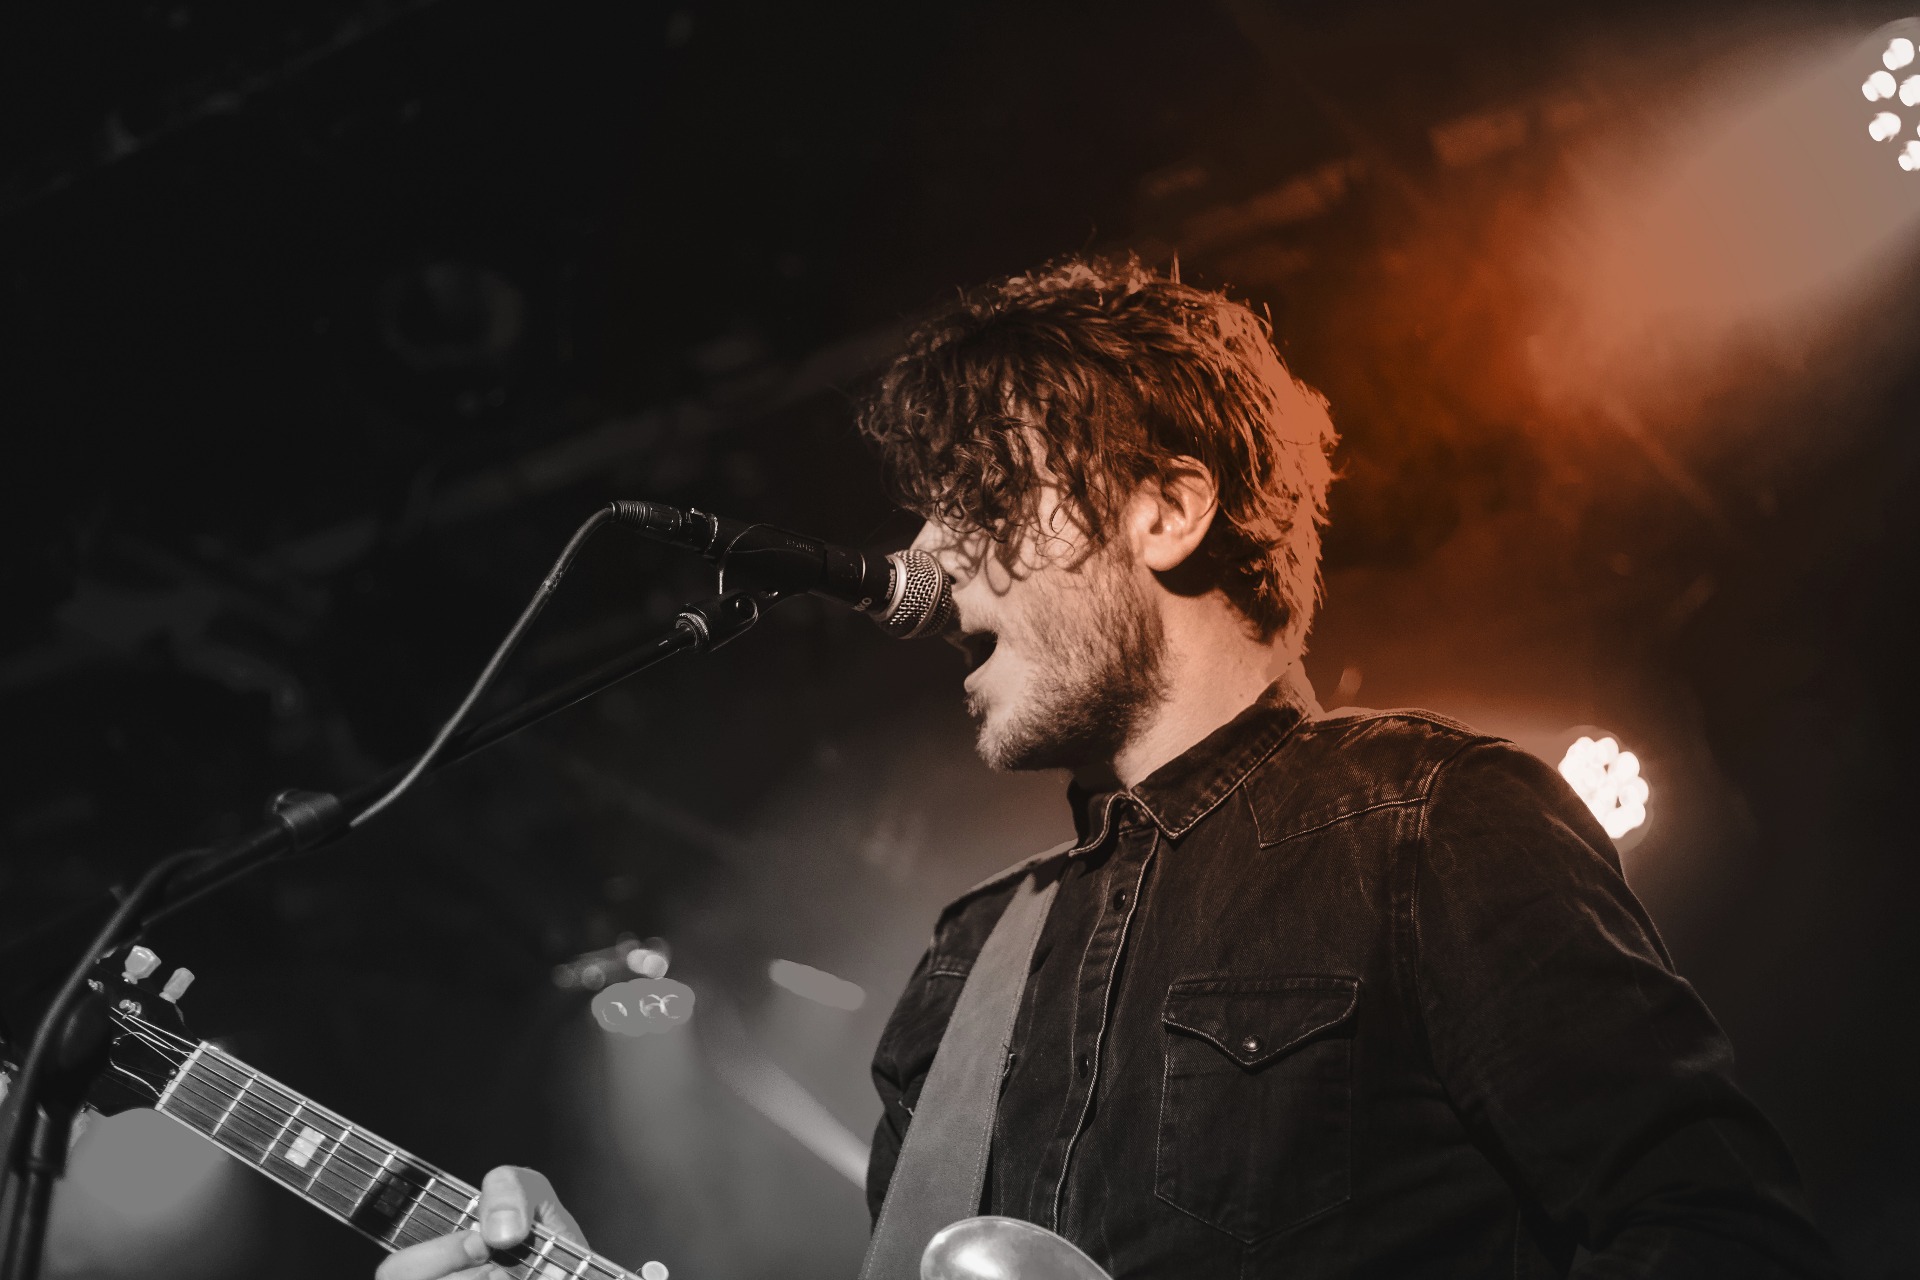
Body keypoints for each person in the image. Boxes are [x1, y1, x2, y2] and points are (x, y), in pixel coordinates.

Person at [376, 257, 1835, 1279]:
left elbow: (1724, 1235)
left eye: (983, 503)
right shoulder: (964, 967)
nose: (930, 565)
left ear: (1167, 512)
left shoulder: (1428, 817)